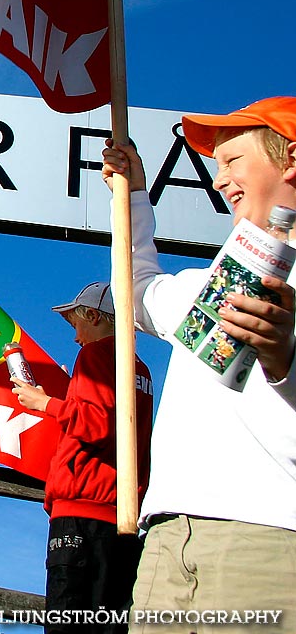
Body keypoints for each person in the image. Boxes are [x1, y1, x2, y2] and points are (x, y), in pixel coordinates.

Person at [102, 98, 296, 628]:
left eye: (232, 161)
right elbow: (135, 293)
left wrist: (285, 361)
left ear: (292, 158)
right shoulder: (212, 284)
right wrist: (133, 196)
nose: (219, 180)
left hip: (269, 538)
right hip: (166, 539)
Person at [11, 282, 153, 634]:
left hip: (81, 512)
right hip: (123, 516)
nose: (75, 338)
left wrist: (43, 404)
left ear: (93, 315)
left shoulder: (94, 356)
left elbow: (96, 424)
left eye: (76, 325)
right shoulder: (141, 370)